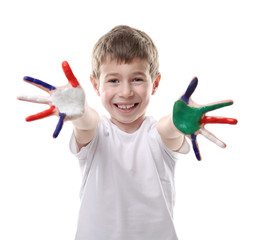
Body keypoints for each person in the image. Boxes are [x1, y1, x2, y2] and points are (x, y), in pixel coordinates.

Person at [18, 25, 237, 240]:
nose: (126, 92)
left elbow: (168, 130)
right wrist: (80, 111)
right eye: (113, 80)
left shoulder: (157, 134)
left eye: (137, 79)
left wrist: (178, 123)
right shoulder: (96, 132)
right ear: (95, 86)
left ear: (155, 83)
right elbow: (87, 123)